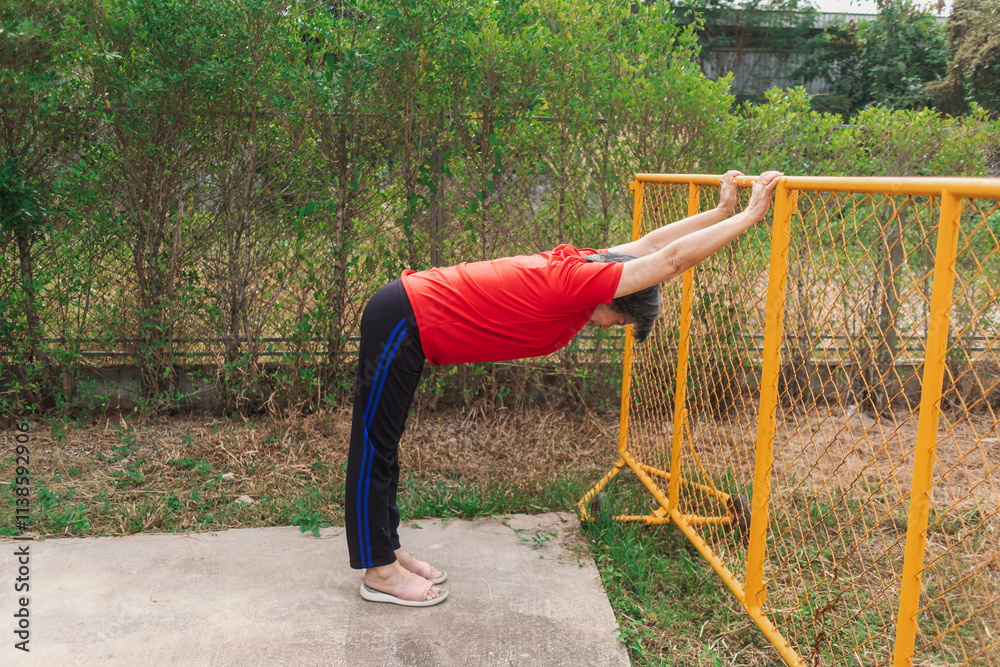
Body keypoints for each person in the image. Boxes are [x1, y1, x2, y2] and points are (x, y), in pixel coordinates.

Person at [345, 170, 783, 606]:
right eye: (623, 322)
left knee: (386, 444)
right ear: (617, 299)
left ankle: (388, 550)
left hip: (410, 319)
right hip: (404, 319)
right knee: (375, 446)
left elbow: (651, 245)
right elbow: (668, 261)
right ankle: (379, 571)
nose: (614, 327)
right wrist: (747, 217)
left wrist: (720, 211)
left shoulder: (588, 266)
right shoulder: (581, 284)